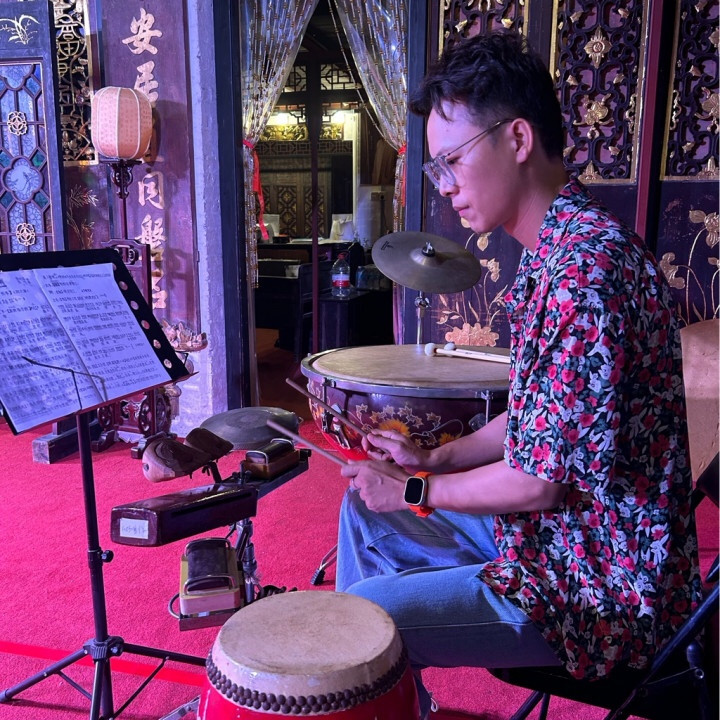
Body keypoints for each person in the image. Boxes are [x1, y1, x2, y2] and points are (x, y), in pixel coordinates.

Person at [336, 30, 702, 719]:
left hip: (600, 585)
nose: (445, 186)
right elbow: (540, 420)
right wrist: (434, 459)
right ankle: (392, 699)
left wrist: (415, 486)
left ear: (518, 138)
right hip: (564, 537)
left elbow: (538, 483)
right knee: (363, 510)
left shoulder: (584, 274)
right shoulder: (560, 248)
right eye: (437, 168)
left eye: (451, 160)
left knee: (364, 616)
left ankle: (374, 677)